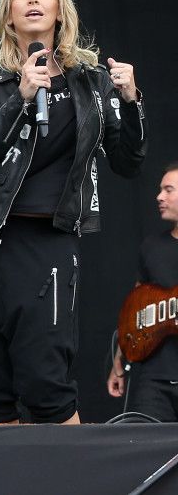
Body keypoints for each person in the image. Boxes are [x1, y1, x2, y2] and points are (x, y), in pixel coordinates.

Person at [0, 0, 146, 424]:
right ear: (8, 15)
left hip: (45, 242)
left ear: (60, 10)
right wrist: (20, 97)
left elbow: (128, 162)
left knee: (48, 390)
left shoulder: (92, 79)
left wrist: (132, 101)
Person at [108, 164, 178, 421]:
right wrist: (120, 360)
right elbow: (134, 309)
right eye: (160, 189)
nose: (159, 196)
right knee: (141, 440)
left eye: (168, 190)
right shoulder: (152, 247)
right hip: (154, 379)